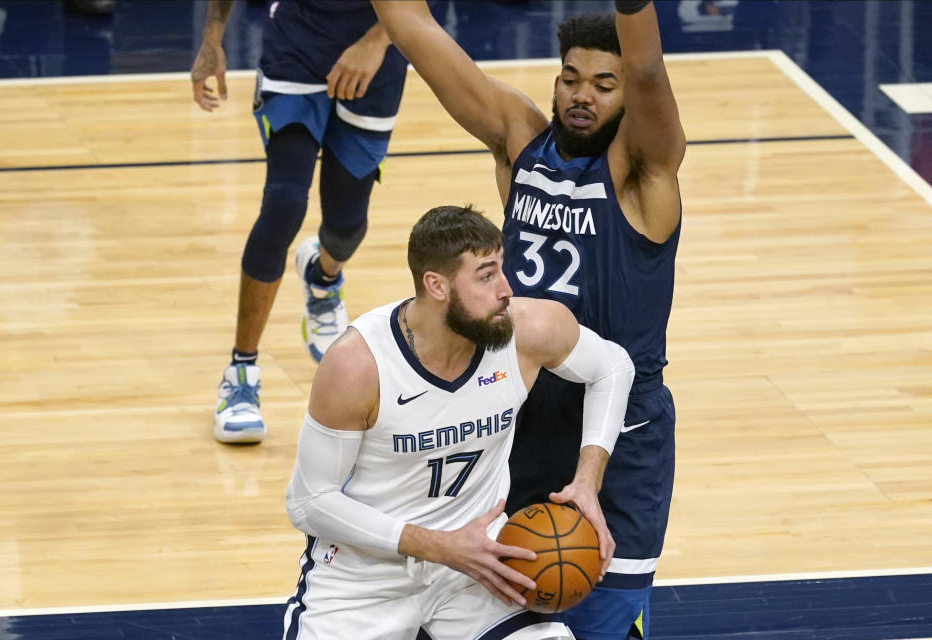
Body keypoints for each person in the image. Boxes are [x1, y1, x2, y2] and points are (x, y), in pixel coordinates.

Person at [371, 2, 685, 639]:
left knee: (596, 617)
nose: (581, 96)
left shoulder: (643, 173)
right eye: (570, 79)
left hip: (619, 425)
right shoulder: (522, 139)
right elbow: (418, 32)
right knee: (497, 609)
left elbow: (649, 68)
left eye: (604, 84)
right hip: (518, 413)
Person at [283, 205, 635, 640]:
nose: (506, 288)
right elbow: (308, 501)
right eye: (486, 276)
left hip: (477, 570)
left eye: (502, 269)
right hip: (365, 579)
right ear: (436, 285)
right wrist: (440, 547)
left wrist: (587, 480)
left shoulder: (525, 331)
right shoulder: (359, 365)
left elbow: (613, 367)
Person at [190, 0, 408, 443]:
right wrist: (212, 36)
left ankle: (323, 277)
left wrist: (377, 40)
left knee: (347, 224)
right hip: (297, 45)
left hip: (378, 57)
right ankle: (241, 374)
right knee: (284, 203)